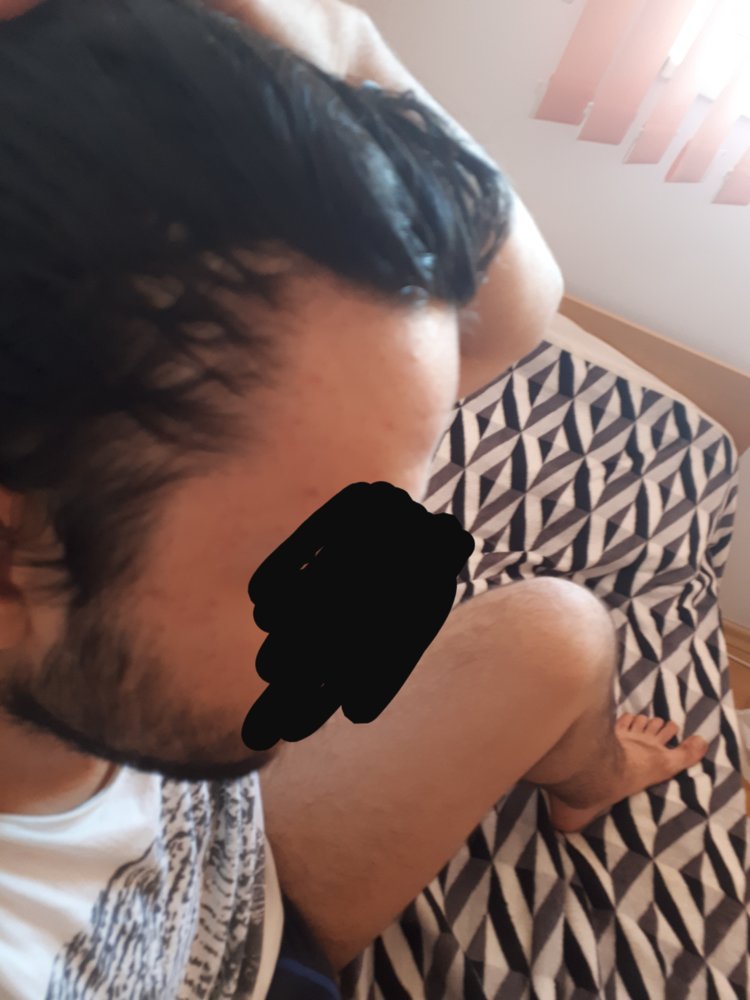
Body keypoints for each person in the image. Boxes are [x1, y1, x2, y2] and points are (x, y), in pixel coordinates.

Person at [0, 0, 710, 996]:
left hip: (229, 864)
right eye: (319, 560)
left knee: (562, 631)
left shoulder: (109, 632)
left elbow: (513, 305)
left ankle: (599, 781)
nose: (394, 627)